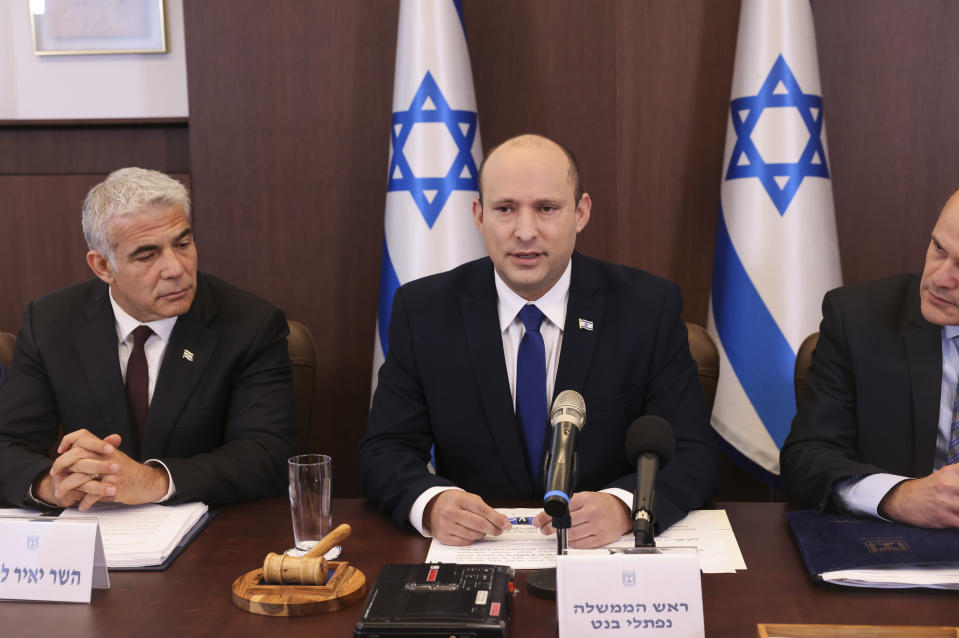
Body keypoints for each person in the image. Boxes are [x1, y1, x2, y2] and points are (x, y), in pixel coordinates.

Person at [358, 134, 719, 548]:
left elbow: (693, 451)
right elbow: (384, 450)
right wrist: (432, 502)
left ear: (581, 213)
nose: (525, 232)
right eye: (505, 209)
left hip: (603, 558)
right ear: (479, 215)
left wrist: (623, 506)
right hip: (481, 554)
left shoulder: (646, 308)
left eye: (546, 209)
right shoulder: (424, 311)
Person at [0, 168, 297, 510]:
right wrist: (51, 486)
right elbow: (7, 444)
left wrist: (154, 481)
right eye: (147, 255)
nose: (175, 268)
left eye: (183, 244)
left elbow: (268, 456)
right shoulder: (51, 322)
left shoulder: (250, 324)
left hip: (211, 540)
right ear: (103, 267)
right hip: (93, 531)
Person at [782, 188, 959, 528]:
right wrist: (901, 496)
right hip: (897, 555)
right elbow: (806, 461)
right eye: (938, 249)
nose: (939, 279)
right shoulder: (859, 319)